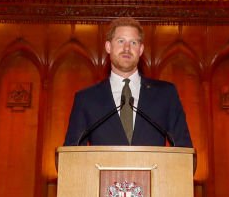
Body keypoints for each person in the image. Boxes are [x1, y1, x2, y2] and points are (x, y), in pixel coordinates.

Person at [63, 17, 193, 147]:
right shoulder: (86, 99)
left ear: (141, 50)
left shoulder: (165, 95)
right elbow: (70, 155)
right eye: (121, 41)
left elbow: (185, 151)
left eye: (133, 43)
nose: (127, 48)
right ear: (108, 47)